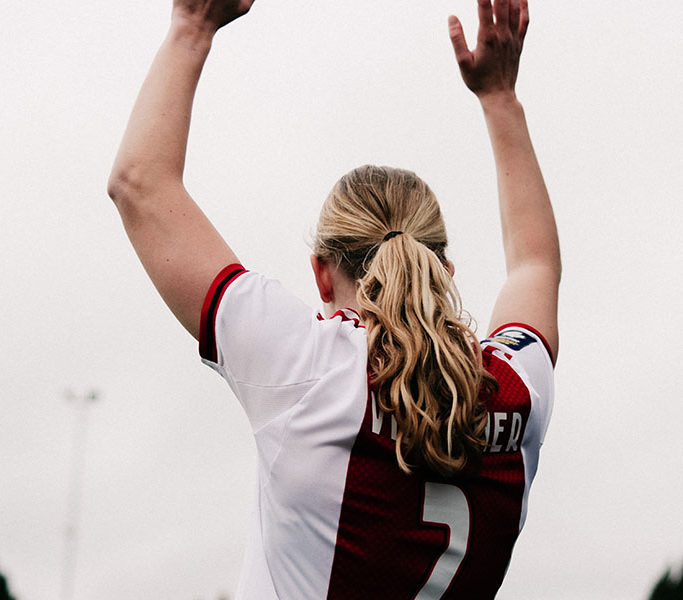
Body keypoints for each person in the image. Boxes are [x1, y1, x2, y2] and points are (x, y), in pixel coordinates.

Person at [107, 0, 560, 597]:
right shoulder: (515, 390)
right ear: (444, 269)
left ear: (323, 275)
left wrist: (193, 25)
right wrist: (501, 97)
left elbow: (137, 183)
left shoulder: (307, 369)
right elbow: (536, 264)